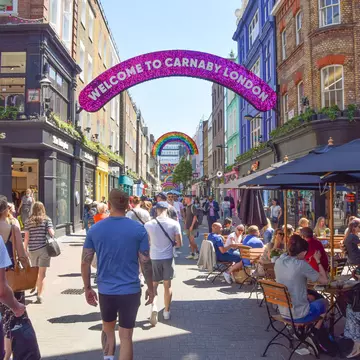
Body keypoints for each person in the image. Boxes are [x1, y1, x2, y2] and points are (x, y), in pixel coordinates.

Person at [81, 189, 155, 360]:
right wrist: (151, 288)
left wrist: (87, 288)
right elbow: (146, 263)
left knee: (107, 328)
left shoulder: (96, 229)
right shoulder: (139, 229)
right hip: (130, 289)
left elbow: (85, 261)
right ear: (127, 205)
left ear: (109, 204)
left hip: (106, 289)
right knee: (126, 336)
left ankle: (107, 358)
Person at [275, 234, 328, 350]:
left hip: (283, 311)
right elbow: (324, 280)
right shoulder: (301, 265)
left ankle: (302, 330)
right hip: (298, 315)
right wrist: (318, 261)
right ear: (304, 252)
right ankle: (314, 331)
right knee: (324, 302)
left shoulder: (279, 261)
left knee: (312, 297)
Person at [0, 197, 30, 360]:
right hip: (11, 278)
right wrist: (28, 269)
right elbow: (21, 253)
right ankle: (7, 355)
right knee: (11, 318)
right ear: (6, 210)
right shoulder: (12, 227)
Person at [144, 202, 182, 325]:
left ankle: (154, 306)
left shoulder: (148, 224)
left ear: (156, 210)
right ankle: (166, 311)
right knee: (167, 285)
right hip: (168, 258)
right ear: (167, 210)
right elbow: (180, 243)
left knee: (154, 285)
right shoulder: (174, 224)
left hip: (154, 257)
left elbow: (146, 242)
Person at [0, 236, 26, 360]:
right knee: (9, 322)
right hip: (11, 282)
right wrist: (16, 306)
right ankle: (7, 354)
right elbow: (2, 290)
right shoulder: (12, 227)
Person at [23, 202, 55, 304]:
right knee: (42, 274)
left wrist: (25, 249)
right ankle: (39, 295)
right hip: (44, 249)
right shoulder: (46, 219)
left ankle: (36, 286)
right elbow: (52, 233)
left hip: (32, 250)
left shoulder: (28, 221)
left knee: (35, 271)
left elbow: (26, 237)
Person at [184, 195, 199, 260]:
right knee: (190, 241)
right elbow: (187, 217)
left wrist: (192, 226)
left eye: (186, 199)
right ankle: (192, 254)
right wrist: (185, 225)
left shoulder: (193, 207)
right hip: (187, 226)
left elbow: (195, 217)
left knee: (192, 241)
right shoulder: (187, 207)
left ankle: (197, 252)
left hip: (192, 227)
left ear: (189, 199)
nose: (185, 200)